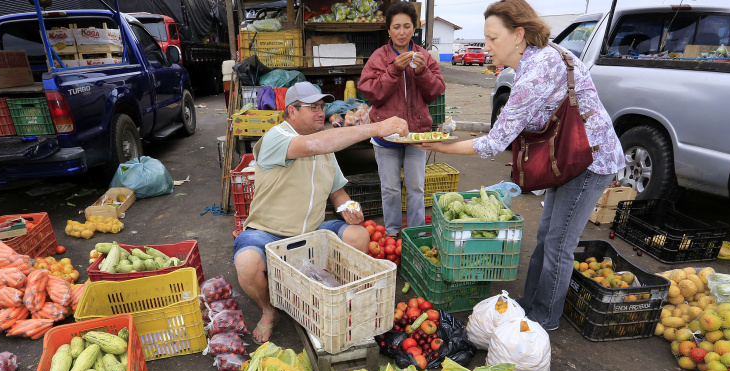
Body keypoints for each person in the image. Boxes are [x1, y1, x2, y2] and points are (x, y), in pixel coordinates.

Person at [418, 0, 625, 331]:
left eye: (492, 38)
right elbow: (508, 126)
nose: (485, 47)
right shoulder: (534, 63)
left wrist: (442, 147)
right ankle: (529, 306)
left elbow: (495, 144)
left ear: (518, 35)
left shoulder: (538, 71)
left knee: (559, 245)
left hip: (589, 161)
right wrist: (456, 130)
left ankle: (544, 320)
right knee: (546, 235)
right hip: (569, 157)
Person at [233, 81, 409, 343]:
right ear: (291, 111)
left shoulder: (326, 150)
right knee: (247, 263)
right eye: (312, 107)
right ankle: (269, 311)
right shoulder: (276, 138)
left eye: (322, 107)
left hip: (312, 232)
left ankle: (331, 297)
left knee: (359, 236)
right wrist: (378, 128)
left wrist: (349, 209)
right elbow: (312, 146)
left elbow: (337, 192)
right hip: (268, 233)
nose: (320, 112)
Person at [358, 1, 445, 238]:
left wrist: (422, 72)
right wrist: (394, 70)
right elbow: (372, 93)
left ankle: (415, 234)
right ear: (388, 30)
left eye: (407, 26)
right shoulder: (378, 58)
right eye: (396, 26)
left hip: (417, 134)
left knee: (416, 187)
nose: (401, 32)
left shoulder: (424, 57)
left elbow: (436, 91)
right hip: (386, 135)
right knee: (390, 188)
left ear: (414, 28)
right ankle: (393, 233)